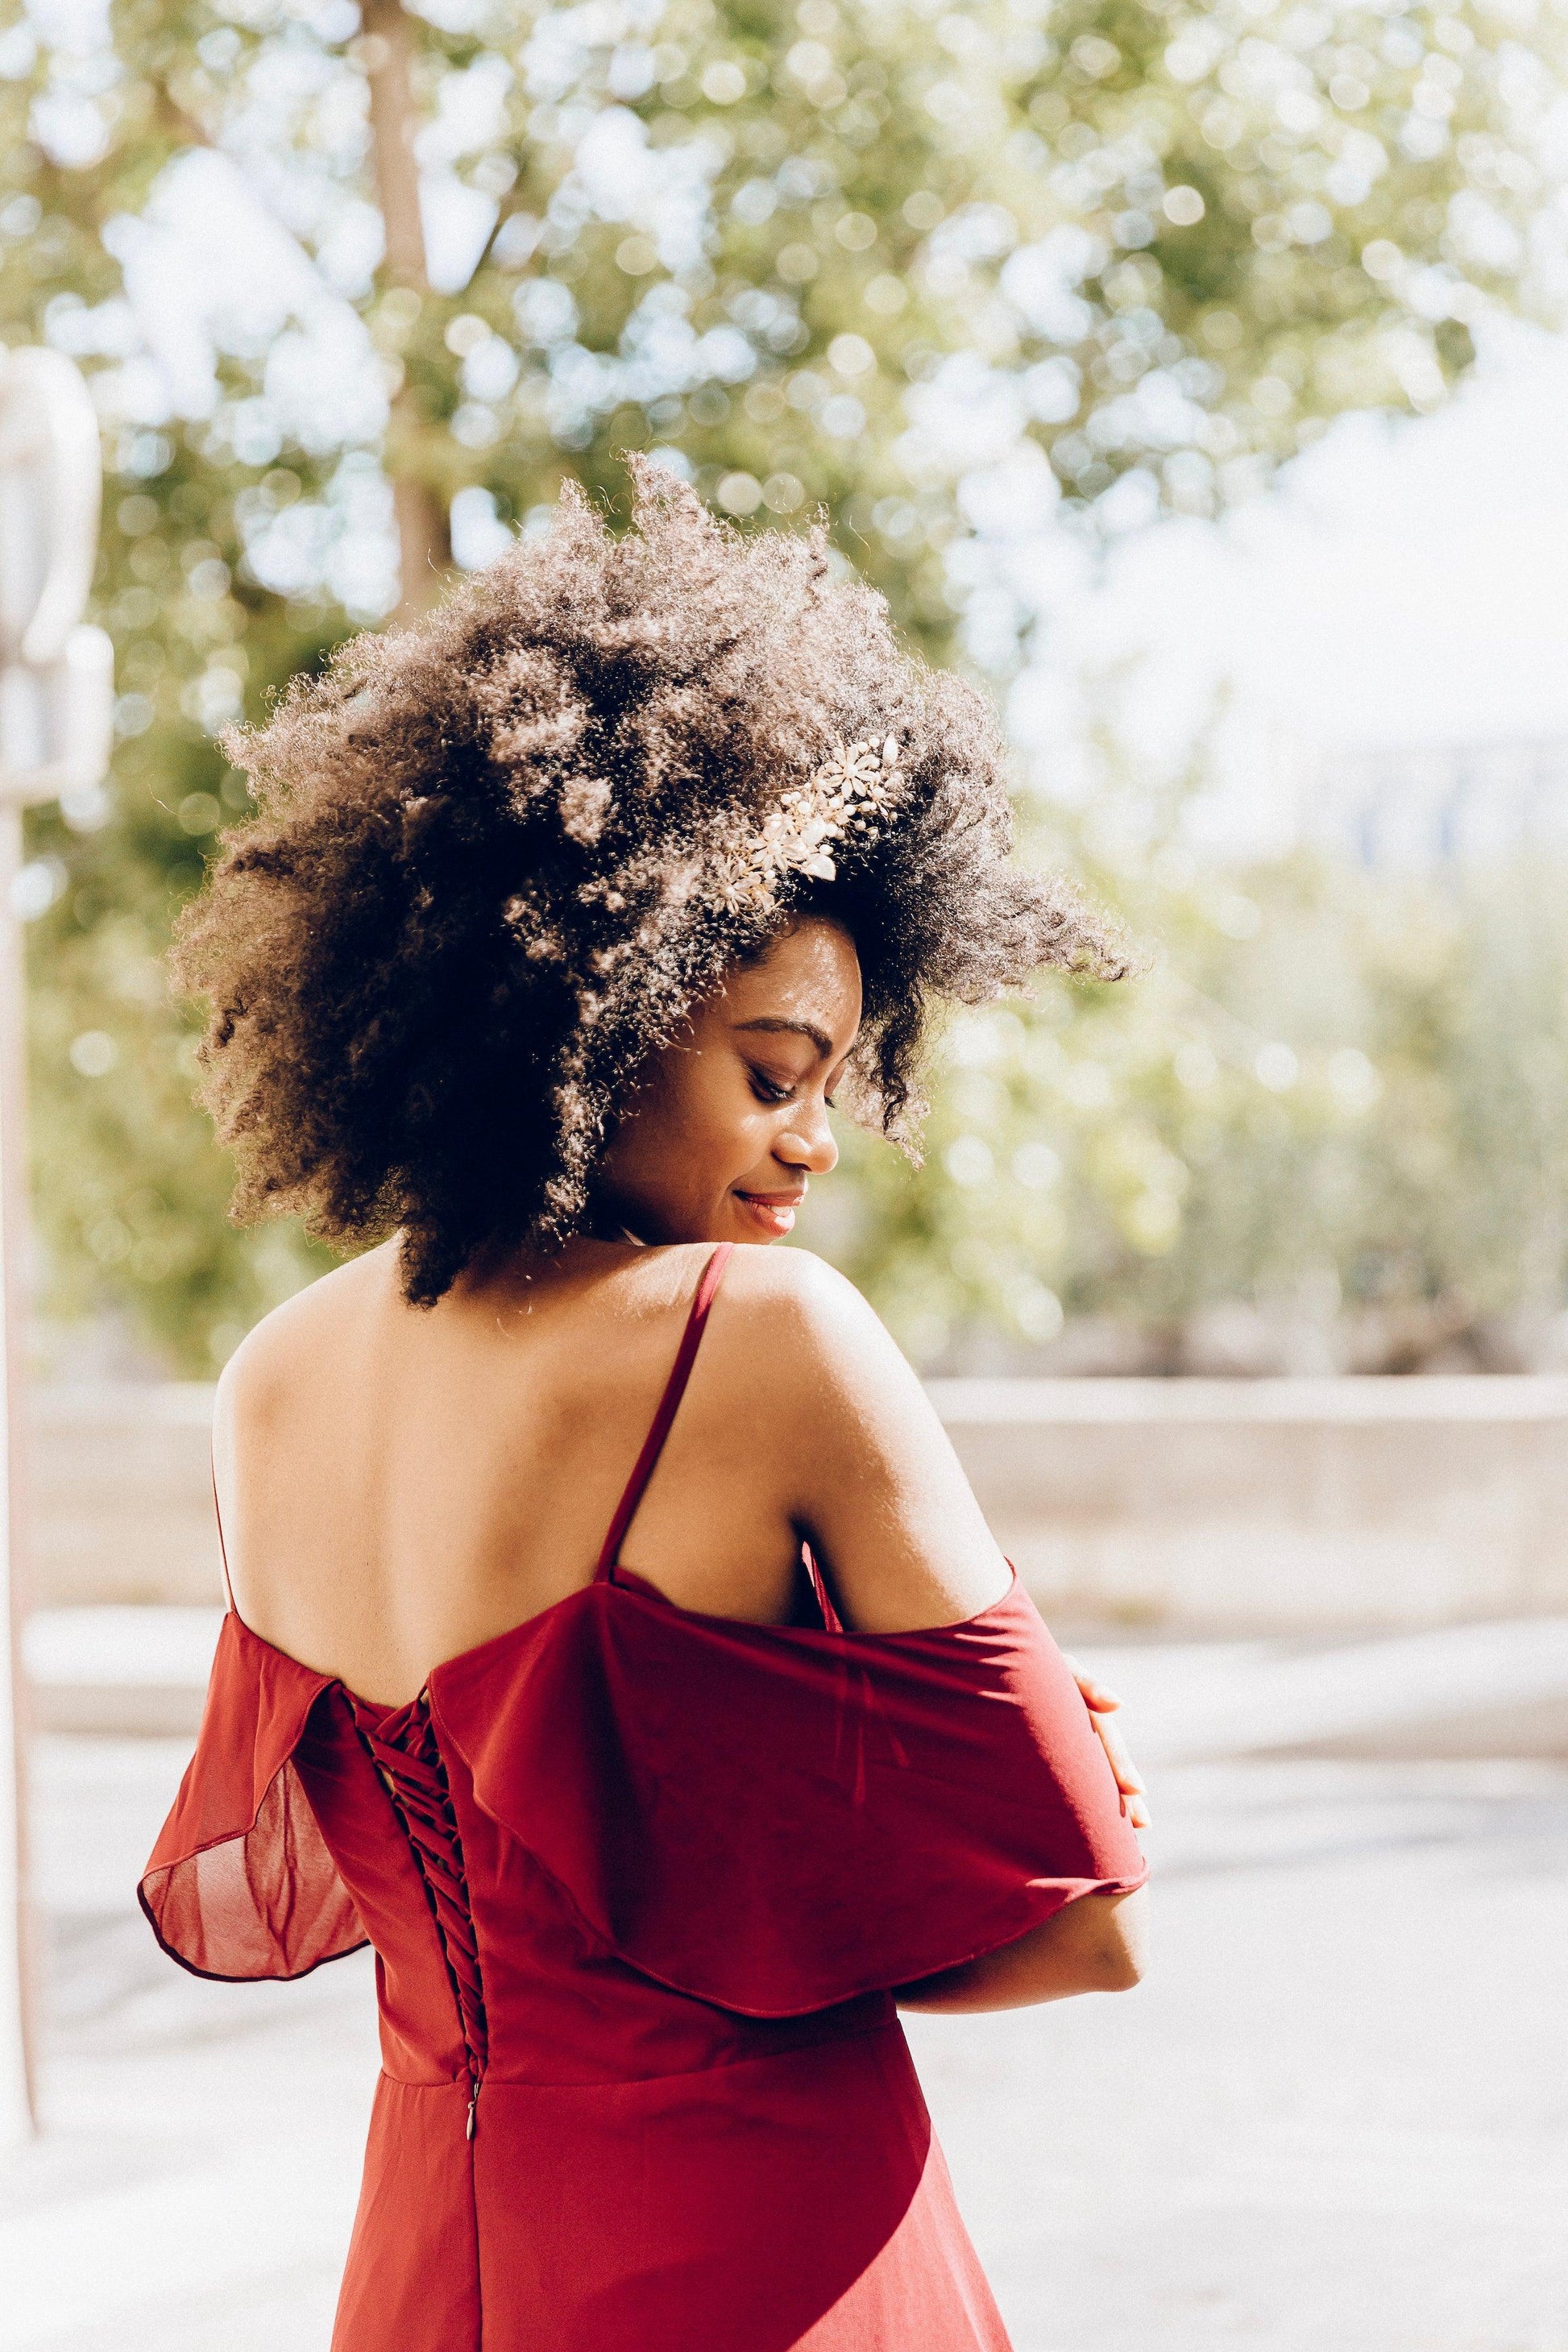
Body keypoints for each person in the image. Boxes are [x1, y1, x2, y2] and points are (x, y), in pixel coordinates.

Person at [140, 462, 1151, 2352]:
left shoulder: (267, 1383)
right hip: (767, 2255)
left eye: (840, 1076)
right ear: (584, 1007)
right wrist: (983, 1803)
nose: (817, 1140)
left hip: (427, 2267)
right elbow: (1077, 1926)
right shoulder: (758, 1339)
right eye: (774, 1069)